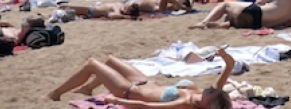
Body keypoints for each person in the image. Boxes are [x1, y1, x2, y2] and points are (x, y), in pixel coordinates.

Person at [47, 50, 234, 108]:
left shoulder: (185, 103)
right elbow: (229, 69)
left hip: (128, 92)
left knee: (92, 64)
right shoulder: (202, 95)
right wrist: (226, 58)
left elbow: (148, 107)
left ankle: (56, 94)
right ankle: (88, 89)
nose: (209, 88)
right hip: (144, 82)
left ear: (208, 103)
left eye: (211, 91)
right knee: (110, 60)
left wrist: (117, 100)